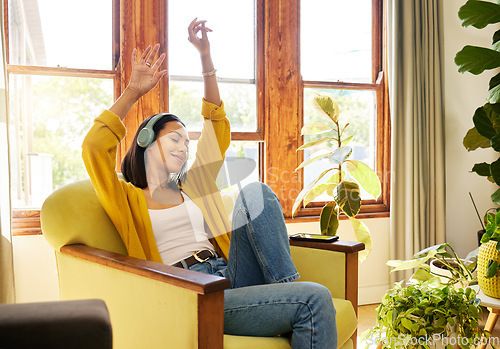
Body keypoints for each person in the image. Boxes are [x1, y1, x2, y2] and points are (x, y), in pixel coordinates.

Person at [82, 18, 337, 348]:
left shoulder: (193, 185)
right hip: (194, 290)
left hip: (231, 274)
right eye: (174, 138)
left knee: (255, 192)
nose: (183, 146)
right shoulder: (126, 198)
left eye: (186, 141)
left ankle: (284, 289)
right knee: (315, 300)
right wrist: (133, 91)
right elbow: (94, 148)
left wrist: (206, 59)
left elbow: (215, 126)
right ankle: (292, 298)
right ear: (146, 141)